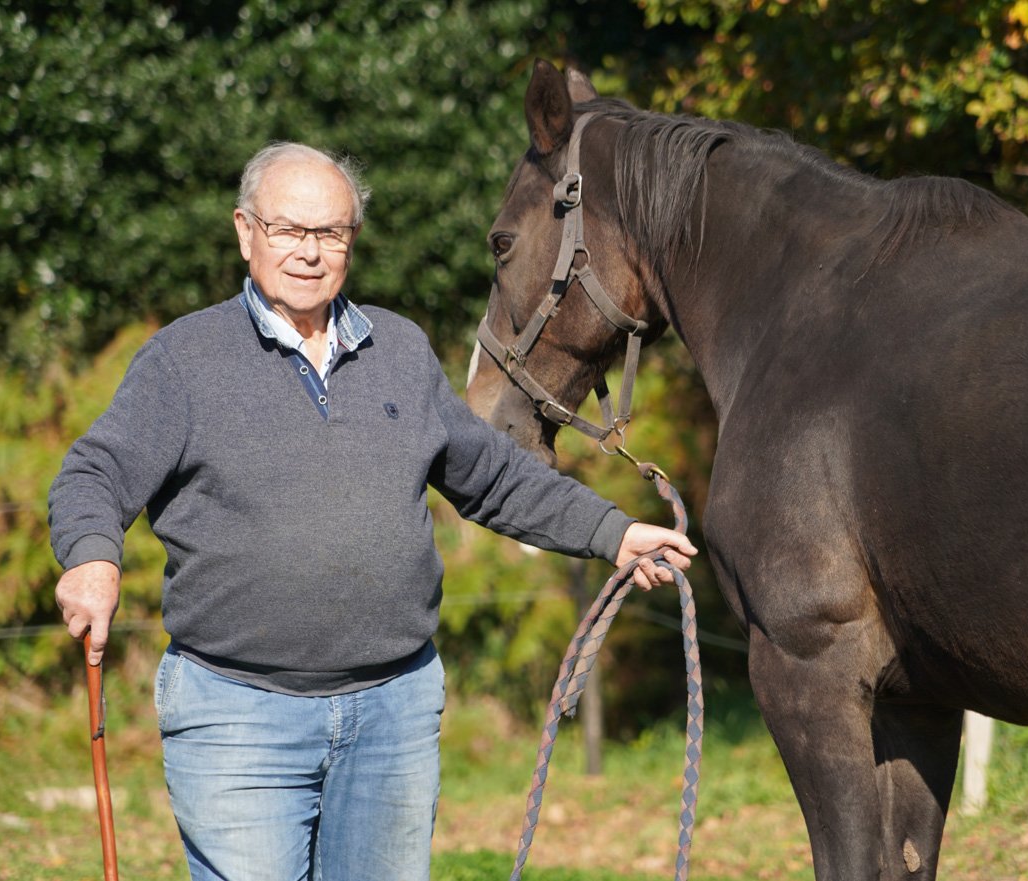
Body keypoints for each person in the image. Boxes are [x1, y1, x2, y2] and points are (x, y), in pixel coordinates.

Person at [48, 142, 696, 881]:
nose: (309, 252)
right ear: (245, 232)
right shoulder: (183, 359)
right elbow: (95, 471)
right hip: (238, 716)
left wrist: (613, 532)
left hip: (393, 712)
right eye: (288, 229)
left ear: (352, 241)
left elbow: (492, 476)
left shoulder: (399, 350)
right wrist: (93, 558)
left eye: (330, 232)